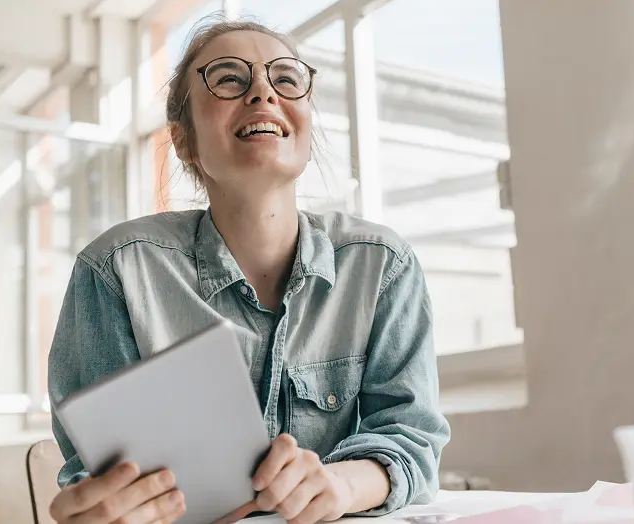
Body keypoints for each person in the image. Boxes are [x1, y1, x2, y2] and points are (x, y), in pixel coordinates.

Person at [46, 15, 450, 524]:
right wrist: (104, 508)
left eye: (285, 78)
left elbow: (411, 439)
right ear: (185, 140)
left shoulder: (383, 267)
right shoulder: (116, 272)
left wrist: (339, 486)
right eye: (230, 79)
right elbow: (100, 474)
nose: (263, 92)